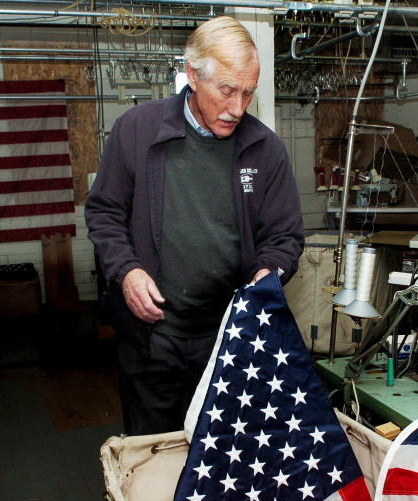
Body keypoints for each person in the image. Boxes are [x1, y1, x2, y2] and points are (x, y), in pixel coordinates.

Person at [85, 16, 304, 436]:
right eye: (226, 90)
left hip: (229, 340)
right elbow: (104, 214)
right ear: (191, 74)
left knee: (222, 464)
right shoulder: (137, 131)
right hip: (152, 339)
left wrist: (267, 274)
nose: (237, 108)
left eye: (247, 93)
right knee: (152, 461)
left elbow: (284, 236)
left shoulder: (265, 149)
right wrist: (127, 272)